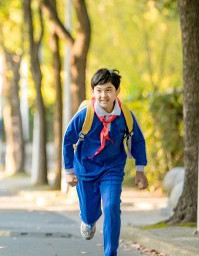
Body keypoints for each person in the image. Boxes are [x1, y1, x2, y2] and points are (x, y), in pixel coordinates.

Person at [62, 68, 148, 256]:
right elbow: (68, 140)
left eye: (108, 90)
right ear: (93, 92)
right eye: (99, 90)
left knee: (111, 207)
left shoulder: (125, 115)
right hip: (85, 169)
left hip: (112, 169)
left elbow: (138, 140)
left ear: (117, 92)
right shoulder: (85, 115)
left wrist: (140, 170)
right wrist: (68, 171)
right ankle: (88, 219)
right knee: (90, 213)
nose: (103, 95)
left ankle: (111, 252)